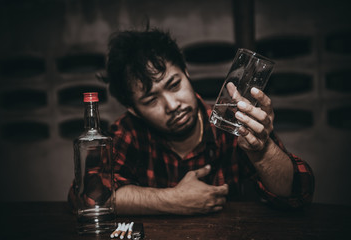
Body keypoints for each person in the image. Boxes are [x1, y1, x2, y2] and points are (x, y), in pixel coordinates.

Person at [68, 28, 314, 215]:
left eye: (174, 85)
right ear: (133, 109)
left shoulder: (231, 123)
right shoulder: (128, 131)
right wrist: (173, 200)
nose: (172, 105)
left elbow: (298, 193)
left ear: (186, 72)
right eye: (151, 99)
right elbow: (87, 196)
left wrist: (263, 150)